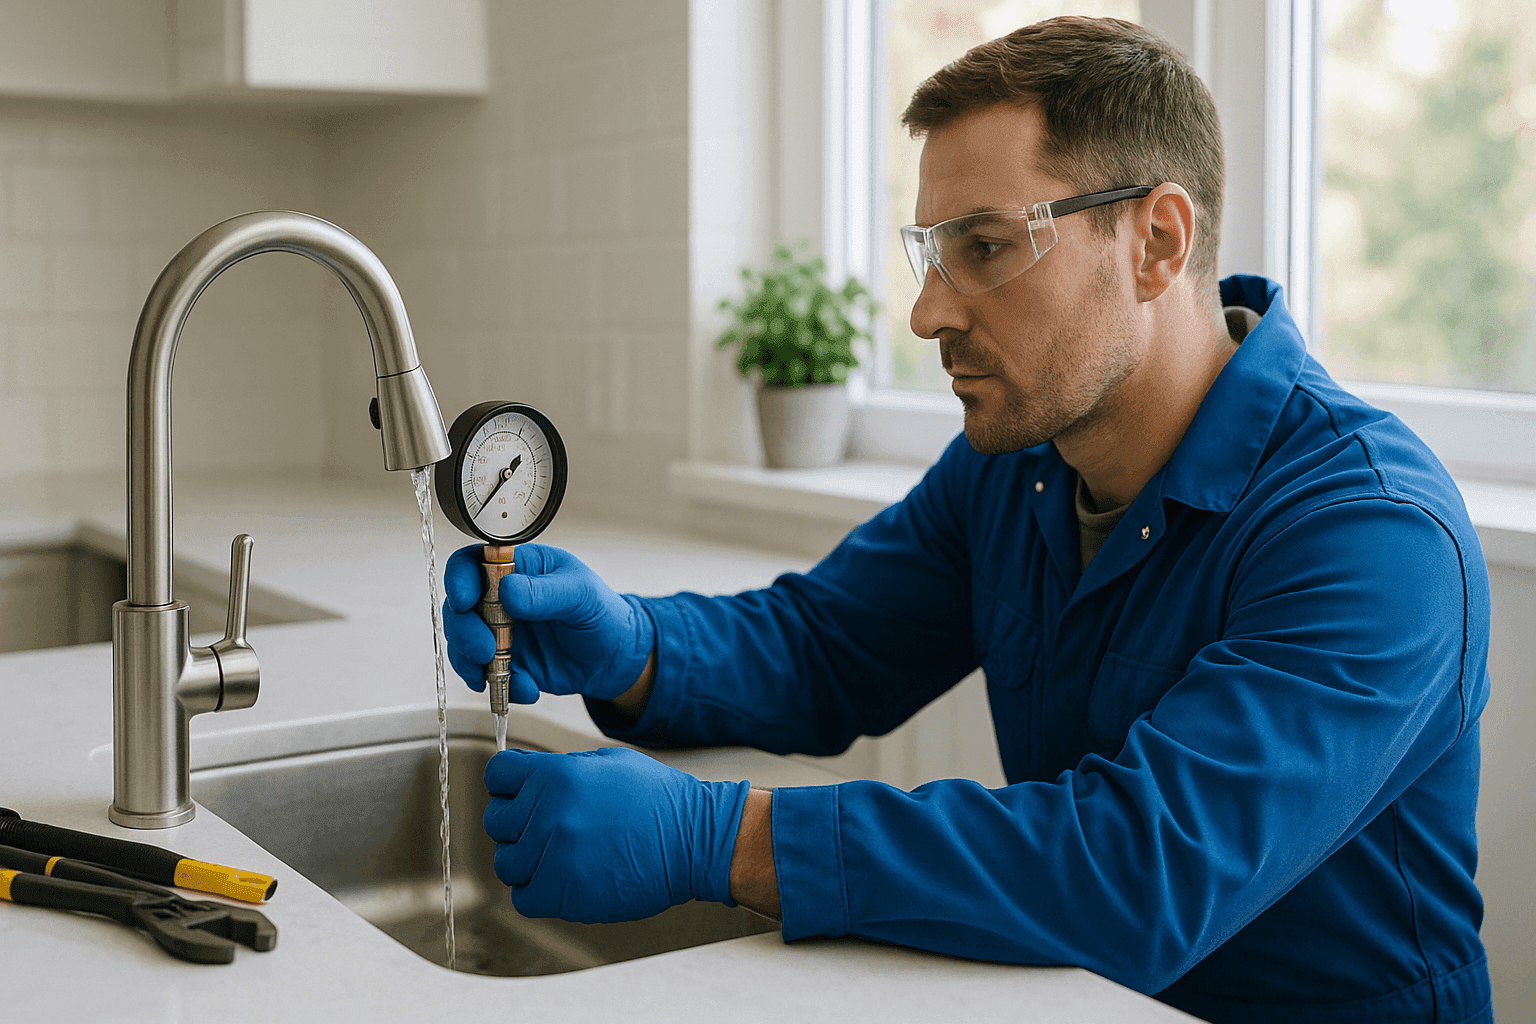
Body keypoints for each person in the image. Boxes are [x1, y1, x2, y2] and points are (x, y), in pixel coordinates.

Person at [443, 17, 1491, 1024]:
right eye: (931, 253)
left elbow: (1135, 870)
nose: (928, 313)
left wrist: (727, 840)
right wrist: (629, 646)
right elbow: (826, 645)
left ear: (1156, 243)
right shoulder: (1022, 465)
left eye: (985, 248)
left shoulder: (1372, 535)